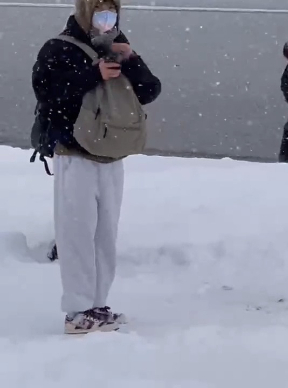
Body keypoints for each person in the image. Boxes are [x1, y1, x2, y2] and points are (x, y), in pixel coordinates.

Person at [31, 0, 161, 334]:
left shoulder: (118, 46)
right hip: (74, 153)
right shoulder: (59, 47)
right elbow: (47, 93)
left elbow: (149, 91)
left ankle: (98, 304)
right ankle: (77, 310)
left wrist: (131, 58)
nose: (108, 20)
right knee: (76, 233)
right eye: (101, 12)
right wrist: (92, 74)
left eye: (113, 13)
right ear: (86, 12)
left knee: (105, 234)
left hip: (111, 153)